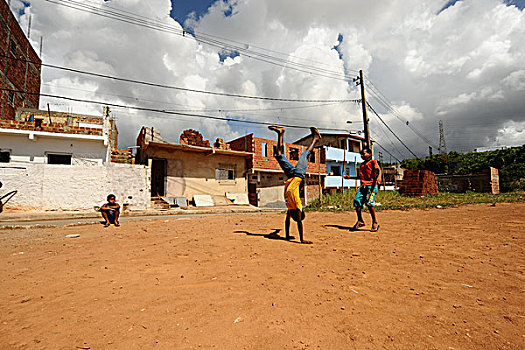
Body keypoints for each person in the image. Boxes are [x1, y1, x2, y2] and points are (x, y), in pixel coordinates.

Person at [268, 125, 321, 244]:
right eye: (295, 217)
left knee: (279, 156)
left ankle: (280, 133)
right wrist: (302, 240)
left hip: (291, 175)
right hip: (298, 175)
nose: (292, 217)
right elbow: (299, 223)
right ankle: (315, 139)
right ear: (299, 214)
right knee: (304, 155)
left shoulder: (289, 208)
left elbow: (286, 222)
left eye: (293, 217)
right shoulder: (297, 205)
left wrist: (286, 236)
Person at [351, 147, 382, 232]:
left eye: (364, 153)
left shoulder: (373, 162)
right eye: (361, 154)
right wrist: (350, 177)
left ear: (370, 154)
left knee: (369, 203)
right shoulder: (362, 165)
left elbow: (378, 170)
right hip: (363, 186)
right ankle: (360, 220)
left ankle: (375, 222)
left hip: (371, 186)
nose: (362, 155)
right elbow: (361, 176)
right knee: (357, 201)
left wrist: (378, 178)